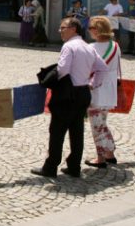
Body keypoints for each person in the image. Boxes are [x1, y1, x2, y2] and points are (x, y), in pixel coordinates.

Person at [31, 18, 106, 179]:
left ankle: (51, 167)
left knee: (57, 131)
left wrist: (49, 79)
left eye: (63, 27)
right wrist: (93, 83)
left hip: (67, 93)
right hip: (83, 92)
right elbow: (103, 68)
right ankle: (74, 167)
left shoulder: (69, 46)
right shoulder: (88, 47)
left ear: (73, 29)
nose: (60, 31)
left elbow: (63, 69)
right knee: (77, 131)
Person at [85, 16, 121, 167]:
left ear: (96, 30)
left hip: (96, 87)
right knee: (102, 121)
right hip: (110, 87)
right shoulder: (115, 46)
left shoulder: (91, 47)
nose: (88, 31)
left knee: (96, 124)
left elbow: (88, 69)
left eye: (90, 28)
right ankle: (110, 153)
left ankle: (100, 158)